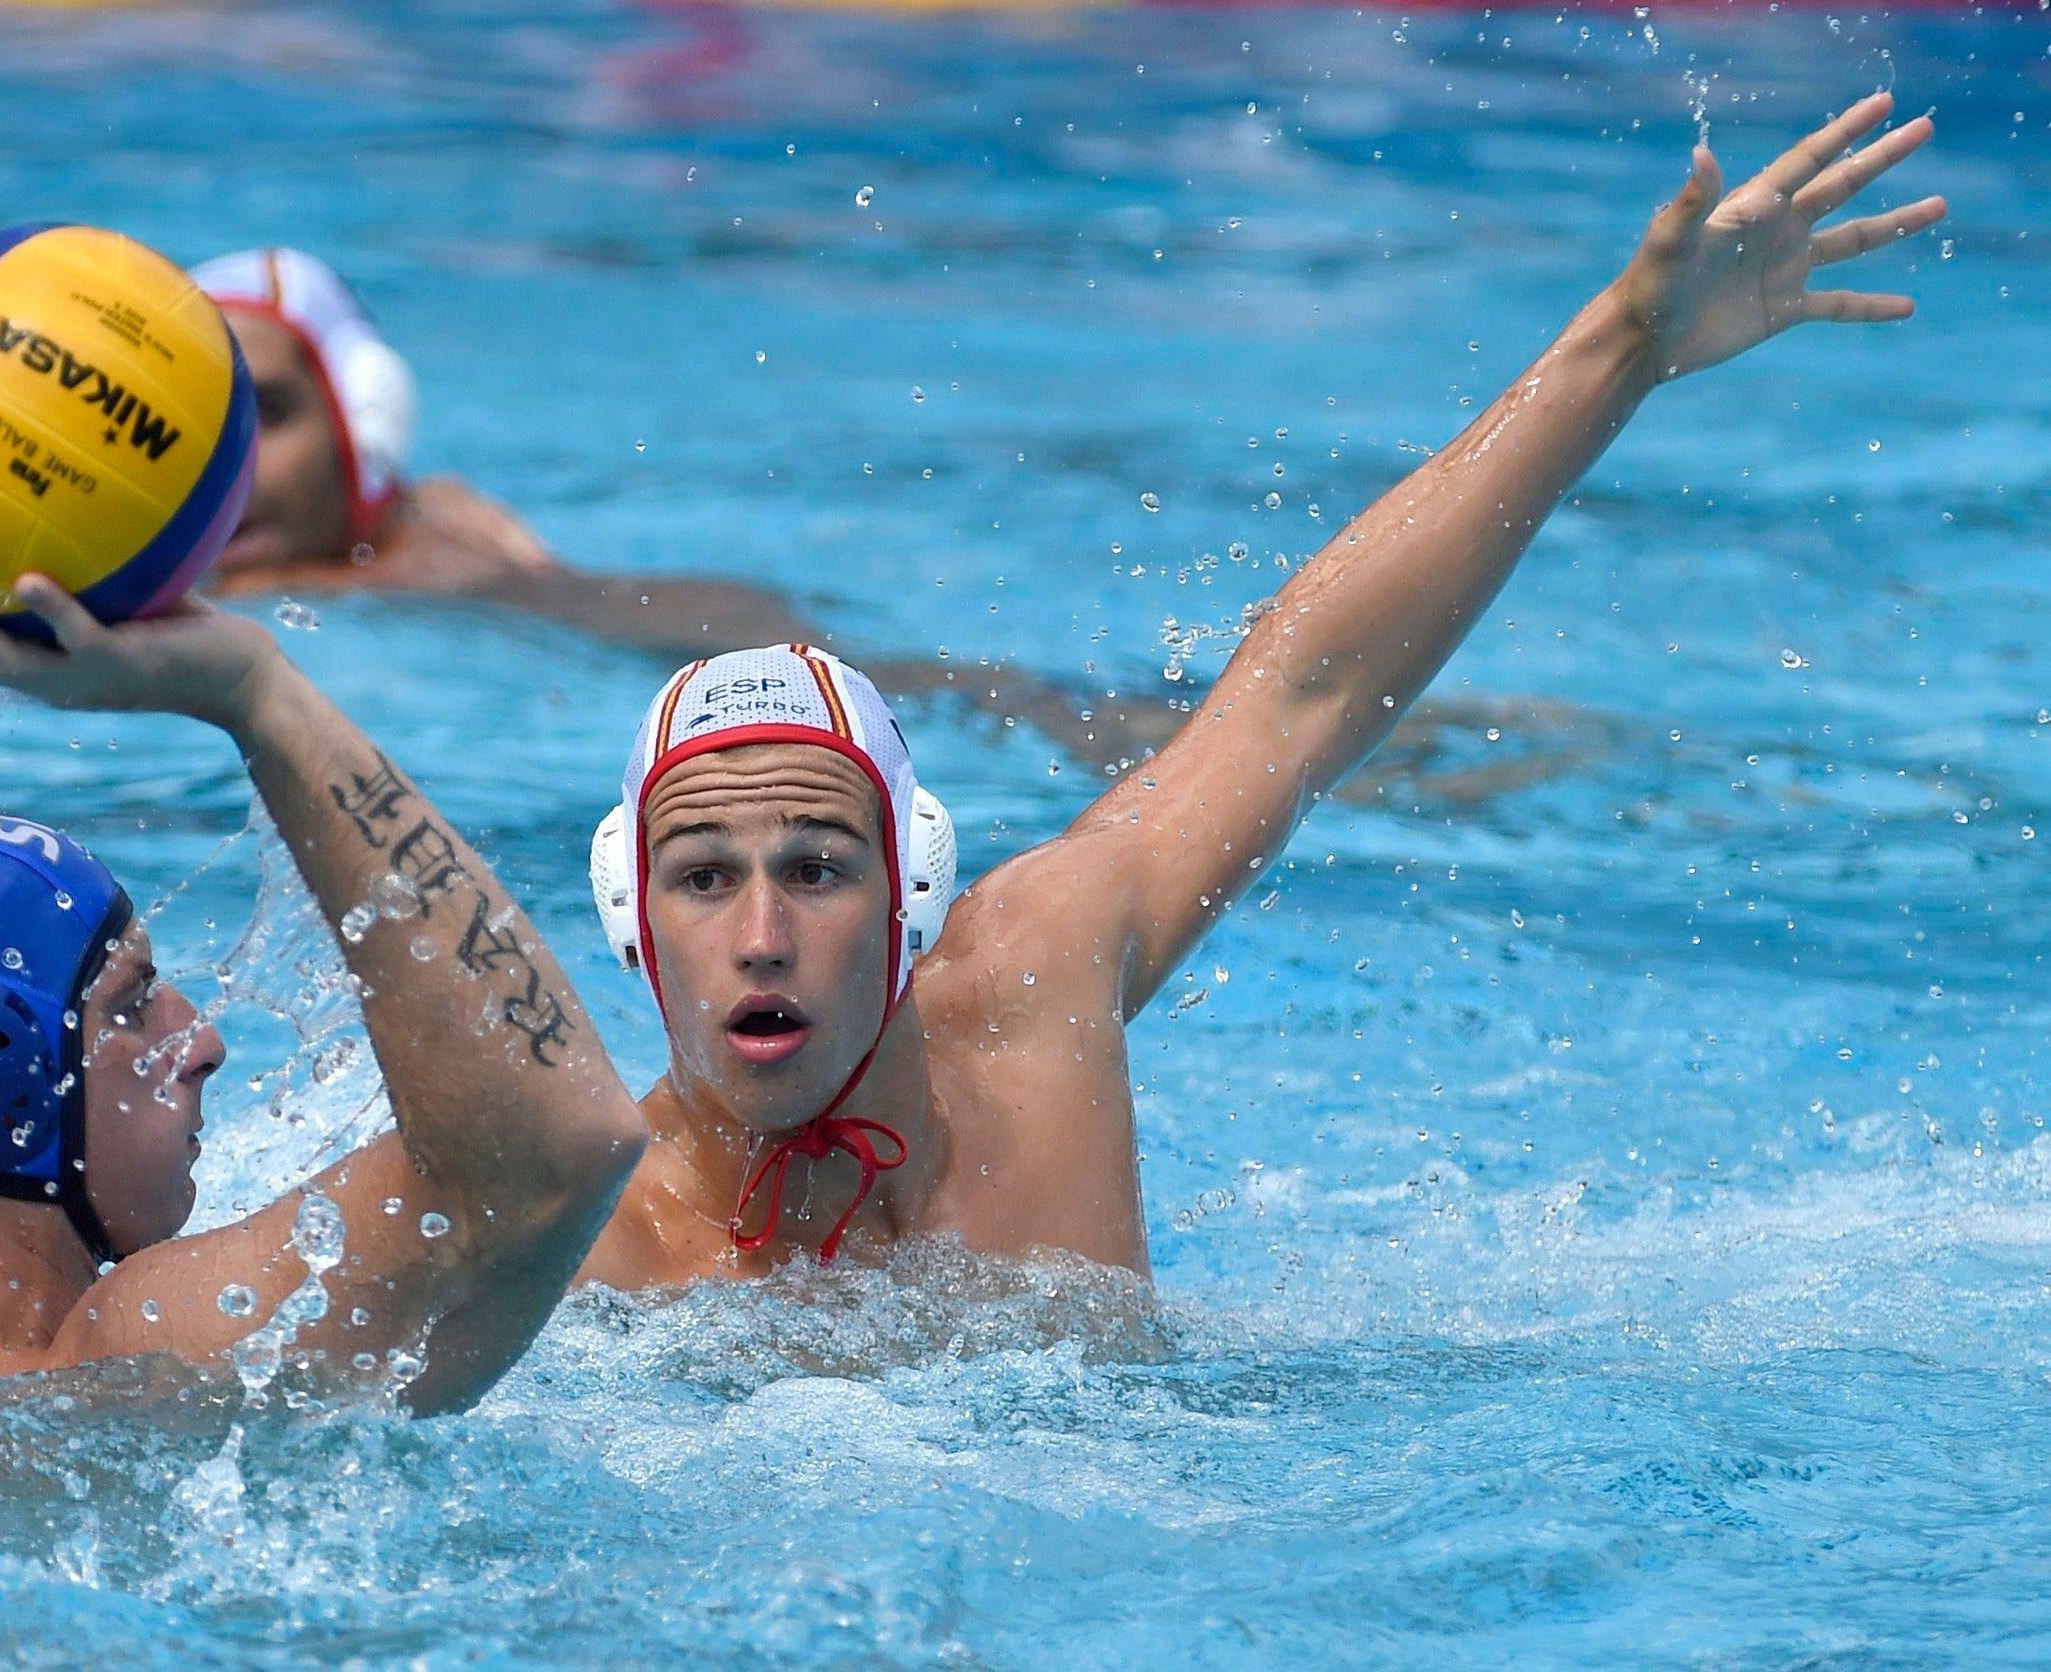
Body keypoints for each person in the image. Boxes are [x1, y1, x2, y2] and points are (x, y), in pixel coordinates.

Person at [569, 95, 1946, 1285]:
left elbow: (1306, 691)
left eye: (815, 868)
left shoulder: (1033, 991)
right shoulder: (586, 1256)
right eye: (702, 876)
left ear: (910, 895)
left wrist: (1625, 347)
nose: (760, 934)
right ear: (632, 914)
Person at [0, 573, 645, 1407]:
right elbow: (558, 1147)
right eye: (133, 1003)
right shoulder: (135, 1360)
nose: (204, 1042)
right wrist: (256, 694)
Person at [189, 245, 1195, 770]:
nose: (227, 467)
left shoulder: (389, 569)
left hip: (680, 636)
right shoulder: (404, 526)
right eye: (194, 429)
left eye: (266, 413)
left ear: (363, 424)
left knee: (958, 695)